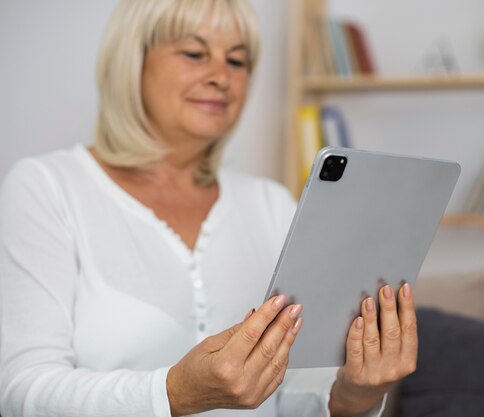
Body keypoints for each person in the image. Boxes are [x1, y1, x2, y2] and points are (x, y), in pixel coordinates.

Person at [0, 1, 418, 416]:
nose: (222, 77)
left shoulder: (270, 204)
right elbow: (21, 391)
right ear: (132, 61)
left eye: (237, 61)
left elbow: (290, 395)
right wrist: (174, 393)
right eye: (195, 54)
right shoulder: (46, 188)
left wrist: (353, 397)